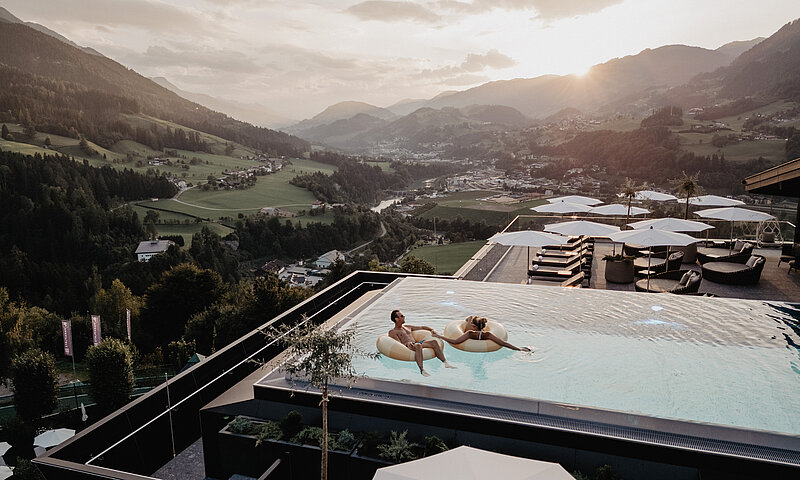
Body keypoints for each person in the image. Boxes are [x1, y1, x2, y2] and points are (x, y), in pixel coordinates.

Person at [388, 309, 455, 376]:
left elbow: (422, 327)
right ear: (396, 319)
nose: (404, 317)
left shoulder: (407, 327)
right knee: (418, 346)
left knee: (434, 342)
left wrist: (432, 330)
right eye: (402, 316)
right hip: (408, 346)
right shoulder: (393, 332)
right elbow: (398, 345)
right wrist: (407, 344)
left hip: (416, 343)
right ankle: (422, 370)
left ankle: (445, 363)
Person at [434, 315, 531, 352]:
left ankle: (469, 319)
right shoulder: (488, 334)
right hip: (481, 335)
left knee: (466, 327)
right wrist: (519, 349)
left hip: (471, 336)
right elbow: (503, 343)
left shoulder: (469, 333)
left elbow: (455, 341)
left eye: (472, 324)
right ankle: (470, 318)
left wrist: (439, 336)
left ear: (474, 327)